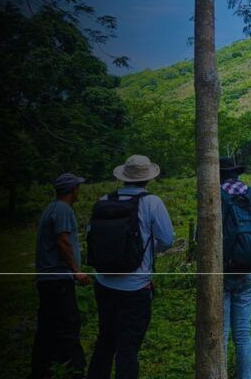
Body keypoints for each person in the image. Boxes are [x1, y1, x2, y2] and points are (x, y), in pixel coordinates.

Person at [86, 155, 174, 379]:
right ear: (148, 179)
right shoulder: (152, 202)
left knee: (105, 340)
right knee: (128, 347)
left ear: (124, 177)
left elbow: (91, 236)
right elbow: (167, 239)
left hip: (104, 282)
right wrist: (148, 250)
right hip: (135, 287)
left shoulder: (104, 199)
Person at [31, 172, 89, 379]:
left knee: (47, 325)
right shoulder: (63, 209)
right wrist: (76, 270)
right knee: (68, 324)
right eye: (78, 188)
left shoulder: (51, 208)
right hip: (58, 279)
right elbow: (63, 241)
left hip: (47, 279)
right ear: (73, 190)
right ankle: (74, 369)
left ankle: (42, 369)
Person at [220, 156, 251, 379]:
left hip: (221, 270)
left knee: (220, 333)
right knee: (243, 332)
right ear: (237, 173)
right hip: (249, 267)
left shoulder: (215, 194)